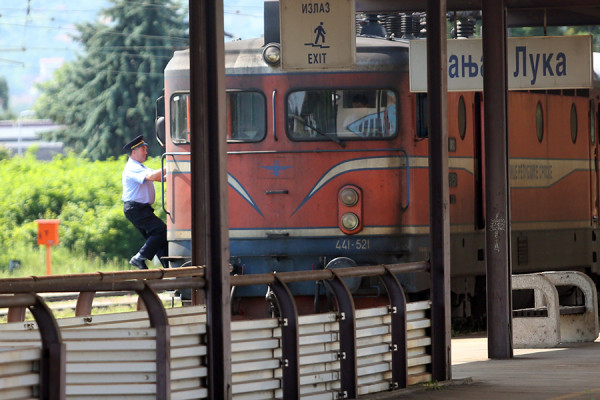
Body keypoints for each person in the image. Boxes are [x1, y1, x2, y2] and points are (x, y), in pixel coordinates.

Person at [121, 135, 168, 270]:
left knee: (159, 239)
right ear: (134, 152)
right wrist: (172, 163)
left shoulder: (140, 167)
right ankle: (140, 257)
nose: (146, 152)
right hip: (136, 209)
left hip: (140, 209)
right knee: (161, 231)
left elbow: (159, 177)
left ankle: (169, 272)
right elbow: (152, 176)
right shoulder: (132, 167)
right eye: (143, 149)